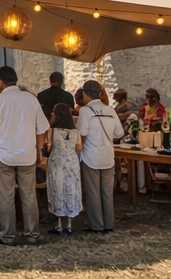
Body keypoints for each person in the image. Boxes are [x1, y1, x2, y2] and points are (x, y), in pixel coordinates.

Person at [0, 66, 46, 246]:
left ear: (1, 81)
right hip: (27, 154)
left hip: (4, 154)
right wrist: (39, 150)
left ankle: (8, 235)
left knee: (6, 197)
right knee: (29, 195)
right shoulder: (31, 99)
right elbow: (41, 128)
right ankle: (32, 233)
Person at [77, 80, 125, 233]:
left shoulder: (85, 111)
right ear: (99, 93)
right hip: (108, 156)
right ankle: (109, 224)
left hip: (91, 156)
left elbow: (82, 134)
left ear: (84, 94)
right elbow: (120, 133)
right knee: (107, 192)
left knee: (93, 193)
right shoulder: (110, 110)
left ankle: (96, 225)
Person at [45, 103, 83, 235]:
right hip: (72, 162)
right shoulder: (75, 131)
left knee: (58, 189)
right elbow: (79, 147)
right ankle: (70, 224)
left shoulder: (52, 131)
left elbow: (48, 148)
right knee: (71, 189)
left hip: (57, 162)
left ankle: (60, 223)